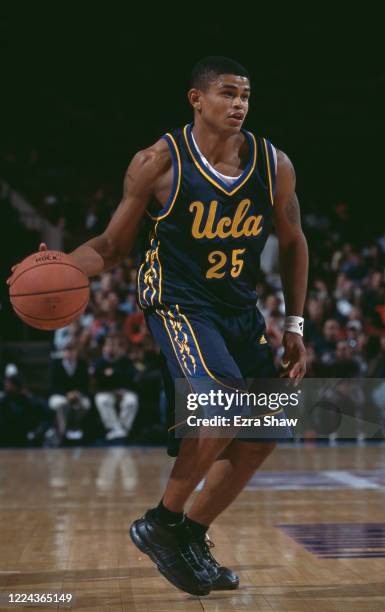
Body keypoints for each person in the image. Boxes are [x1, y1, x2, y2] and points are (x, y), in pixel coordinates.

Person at [8, 56, 309, 596]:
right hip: (178, 304)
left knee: (264, 433)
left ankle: (187, 534)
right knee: (221, 407)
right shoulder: (157, 161)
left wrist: (295, 324)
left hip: (239, 310)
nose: (238, 103)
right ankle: (161, 523)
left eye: (244, 94)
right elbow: (112, 246)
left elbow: (293, 243)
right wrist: (64, 267)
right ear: (196, 99)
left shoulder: (273, 164)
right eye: (226, 92)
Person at [48, 340, 91, 442]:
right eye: (67, 350)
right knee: (60, 404)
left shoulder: (82, 364)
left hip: (77, 395)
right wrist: (66, 394)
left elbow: (85, 385)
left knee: (86, 404)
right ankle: (62, 432)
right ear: (63, 352)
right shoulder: (56, 364)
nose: (70, 353)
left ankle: (75, 427)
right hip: (60, 395)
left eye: (72, 350)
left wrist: (77, 393)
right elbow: (53, 386)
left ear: (76, 352)